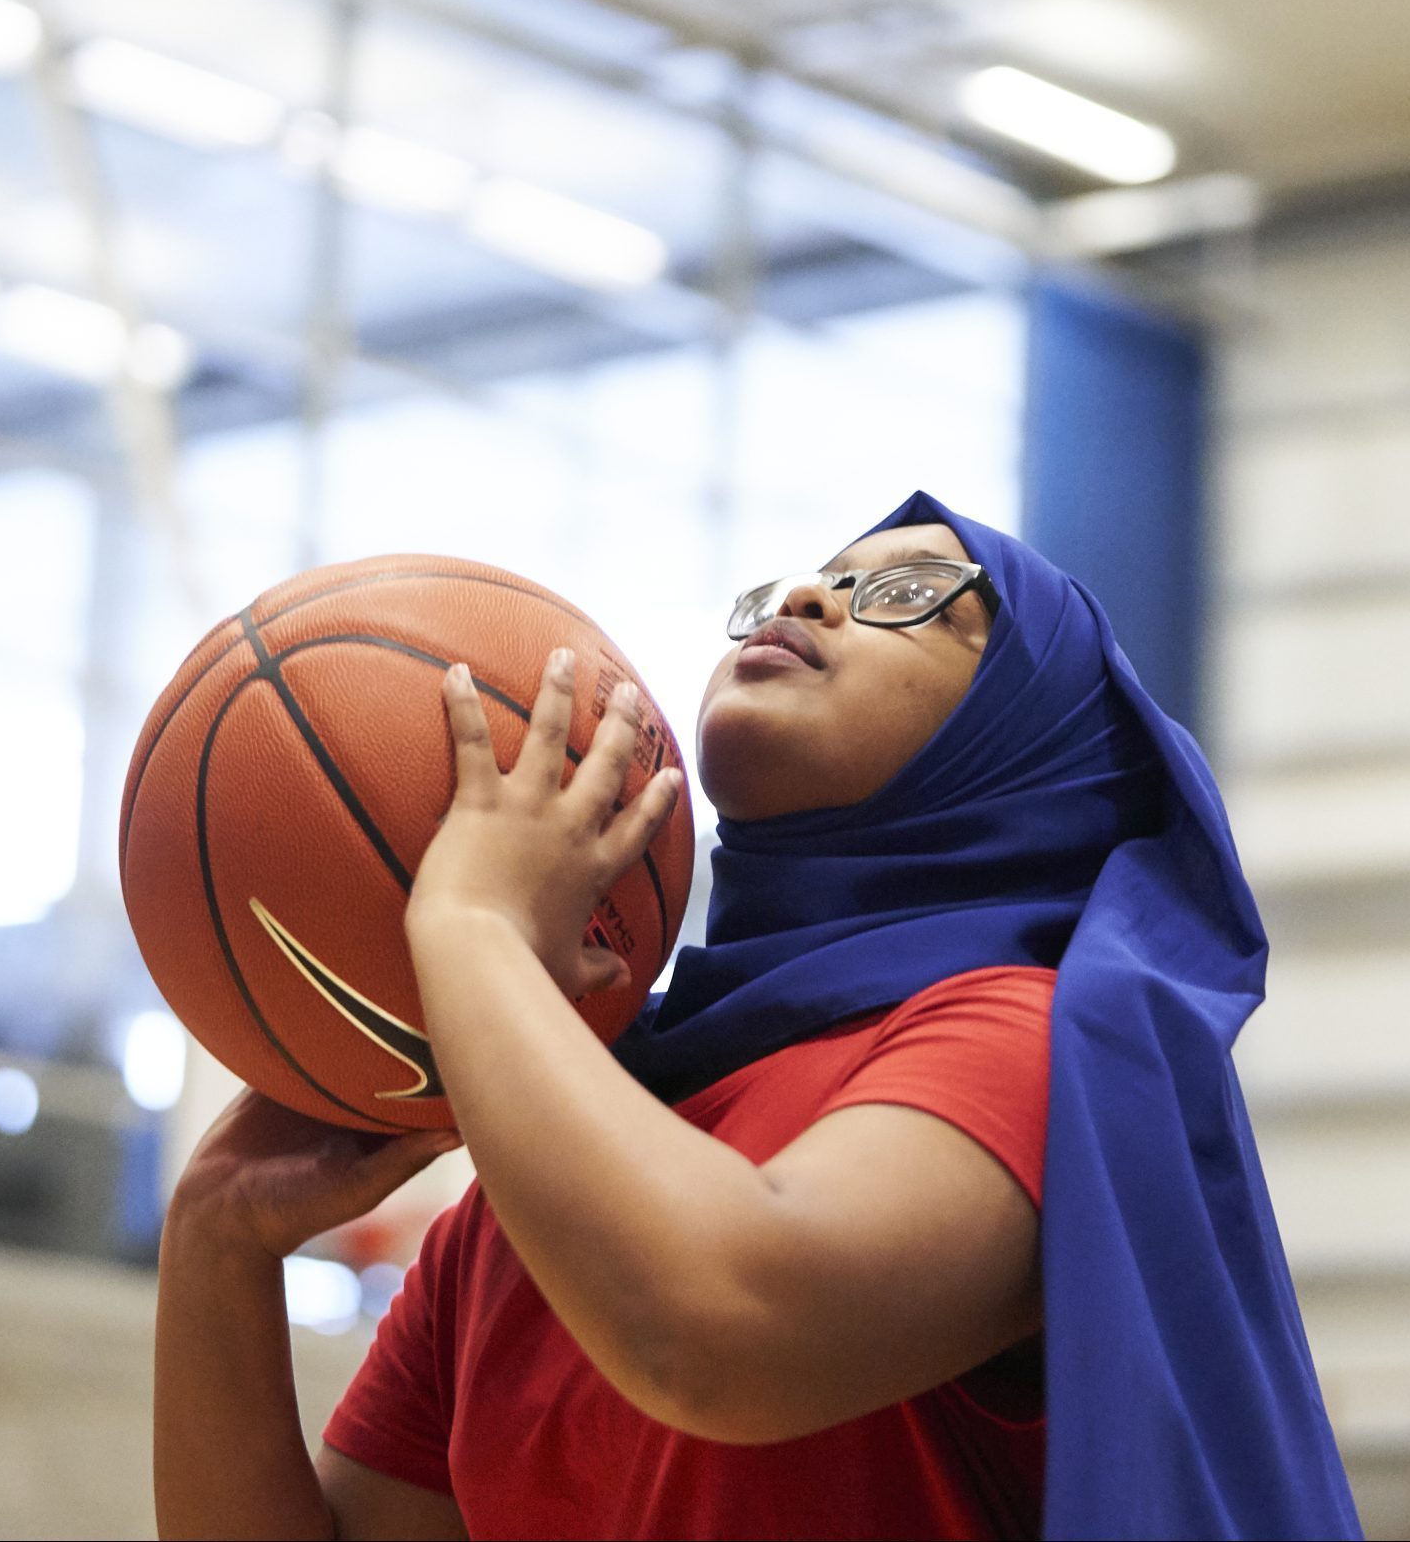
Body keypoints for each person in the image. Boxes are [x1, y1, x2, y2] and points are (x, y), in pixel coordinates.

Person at [153, 491, 1360, 1541]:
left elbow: (720, 1327)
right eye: (810, 578)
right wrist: (216, 1243)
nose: (808, 596)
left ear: (1019, 744)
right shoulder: (567, 1164)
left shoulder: (1026, 1044)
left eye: (907, 594)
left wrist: (472, 930)